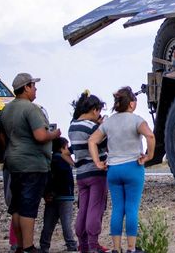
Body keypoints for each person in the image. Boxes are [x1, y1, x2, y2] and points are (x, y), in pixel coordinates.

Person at [0, 73, 61, 253]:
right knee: (29, 206)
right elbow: (40, 136)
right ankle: (28, 246)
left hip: (12, 162)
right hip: (32, 164)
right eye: (33, 85)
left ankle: (18, 246)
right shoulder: (32, 109)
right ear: (26, 87)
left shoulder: (6, 110)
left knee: (16, 206)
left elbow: (2, 138)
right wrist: (54, 135)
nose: (35, 89)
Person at [88, 87, 155, 253]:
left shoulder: (109, 122)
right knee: (131, 208)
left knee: (117, 208)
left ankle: (116, 248)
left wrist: (97, 161)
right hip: (133, 167)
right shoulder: (137, 120)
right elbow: (150, 136)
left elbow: (92, 140)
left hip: (113, 170)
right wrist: (149, 155)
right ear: (132, 104)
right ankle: (131, 248)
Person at [69, 92, 109, 253]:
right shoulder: (92, 127)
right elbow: (105, 144)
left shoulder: (72, 127)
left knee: (83, 209)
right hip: (96, 171)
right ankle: (93, 243)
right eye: (98, 111)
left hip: (81, 174)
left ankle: (83, 244)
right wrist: (102, 126)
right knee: (96, 208)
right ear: (94, 110)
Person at [39, 137, 77, 253]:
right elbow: (63, 178)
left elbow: (47, 178)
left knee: (48, 224)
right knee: (66, 223)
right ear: (63, 148)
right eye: (67, 146)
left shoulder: (50, 161)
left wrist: (46, 193)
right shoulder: (63, 161)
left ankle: (44, 246)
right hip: (65, 196)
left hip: (51, 196)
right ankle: (71, 244)